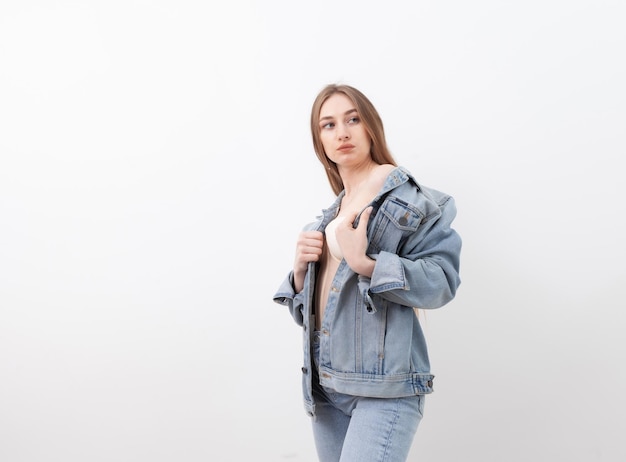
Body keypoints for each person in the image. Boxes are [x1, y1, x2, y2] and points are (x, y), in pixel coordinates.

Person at [273, 83, 462, 462]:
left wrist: (367, 265)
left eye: (352, 119)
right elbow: (310, 314)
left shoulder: (413, 201)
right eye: (328, 125)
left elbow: (442, 282)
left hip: (383, 390)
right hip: (325, 386)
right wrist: (298, 275)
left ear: (370, 127)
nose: (341, 132)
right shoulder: (330, 217)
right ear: (320, 143)